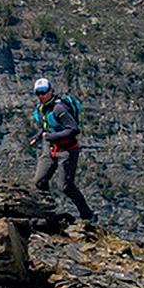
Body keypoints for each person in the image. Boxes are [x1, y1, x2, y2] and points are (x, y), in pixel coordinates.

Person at [28, 76, 94, 224]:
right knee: (39, 181)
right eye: (38, 93)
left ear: (51, 91)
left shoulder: (59, 108)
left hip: (67, 150)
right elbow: (48, 126)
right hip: (50, 147)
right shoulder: (43, 108)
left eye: (43, 92)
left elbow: (73, 129)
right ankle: (47, 210)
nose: (41, 96)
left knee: (65, 186)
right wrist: (38, 136)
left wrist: (51, 136)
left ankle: (88, 215)